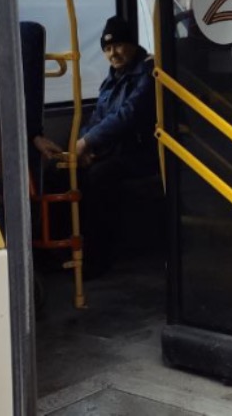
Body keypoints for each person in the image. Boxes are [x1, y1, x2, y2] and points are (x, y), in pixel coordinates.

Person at [32, 15, 159, 274]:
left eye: (118, 45)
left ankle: (96, 260)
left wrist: (87, 143)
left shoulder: (149, 73)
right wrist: (83, 149)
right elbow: (97, 118)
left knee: (99, 177)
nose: (113, 54)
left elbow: (128, 115)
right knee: (57, 173)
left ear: (132, 44)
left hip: (139, 153)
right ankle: (58, 250)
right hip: (111, 150)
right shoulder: (112, 79)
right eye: (107, 48)